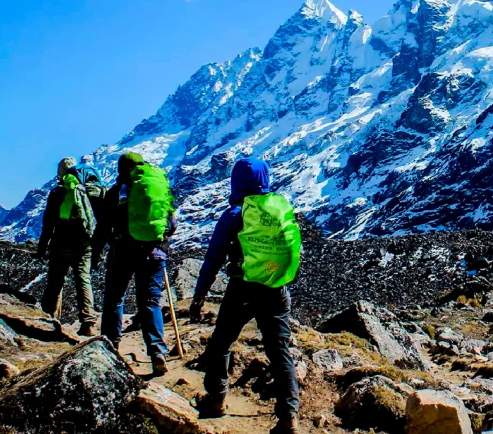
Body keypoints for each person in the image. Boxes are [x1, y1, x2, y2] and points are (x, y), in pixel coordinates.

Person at [190, 158, 302, 434]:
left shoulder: (233, 215)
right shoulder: (277, 210)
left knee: (221, 343)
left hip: (242, 289)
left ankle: (216, 399)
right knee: (280, 352)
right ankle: (289, 418)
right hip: (275, 289)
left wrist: (200, 294)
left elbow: (214, 257)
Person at [95, 152, 177, 375]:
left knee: (114, 298)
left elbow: (102, 227)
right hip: (155, 253)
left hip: (123, 252)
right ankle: (158, 351)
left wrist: (95, 253)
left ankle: (110, 347)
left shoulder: (116, 193)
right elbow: (172, 225)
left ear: (121, 169)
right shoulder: (158, 189)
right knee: (150, 302)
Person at [38, 157, 100, 336]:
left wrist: (43, 245)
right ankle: (88, 322)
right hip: (85, 243)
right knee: (83, 279)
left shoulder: (58, 192)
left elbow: (48, 223)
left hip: (62, 242)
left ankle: (49, 318)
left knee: (56, 280)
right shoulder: (90, 190)